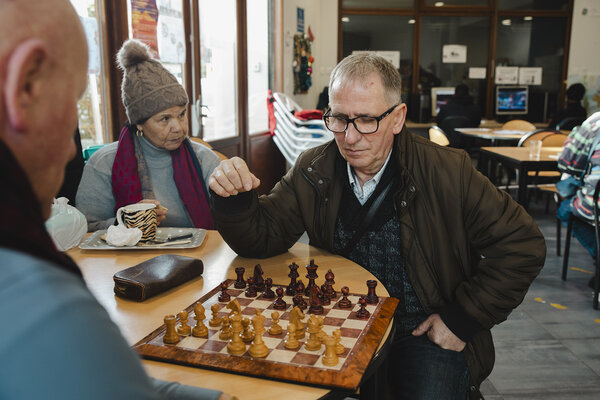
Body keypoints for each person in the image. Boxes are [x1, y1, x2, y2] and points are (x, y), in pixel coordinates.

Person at [208, 53, 546, 399]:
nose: (350, 137)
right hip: (338, 322)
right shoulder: (315, 168)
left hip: (421, 329)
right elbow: (263, 238)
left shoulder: (448, 172)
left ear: (398, 118)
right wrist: (234, 200)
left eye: (367, 120)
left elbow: (522, 245)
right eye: (339, 118)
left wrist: (461, 319)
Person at [0, 1, 231, 399]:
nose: (73, 151)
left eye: (182, 114)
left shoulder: (201, 156)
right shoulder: (40, 299)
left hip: (196, 285)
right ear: (24, 86)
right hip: (128, 295)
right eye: (72, 104)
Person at [76, 39, 220, 232]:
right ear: (140, 123)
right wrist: (125, 223)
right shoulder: (104, 164)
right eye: (164, 118)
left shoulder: (204, 159)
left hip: (202, 257)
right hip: (129, 261)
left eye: (182, 114)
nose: (178, 127)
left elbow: (230, 222)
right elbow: (86, 228)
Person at [556, 111, 600, 288]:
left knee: (565, 210)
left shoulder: (595, 122)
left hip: (596, 204)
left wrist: (573, 136)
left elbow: (567, 163)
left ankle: (599, 256)